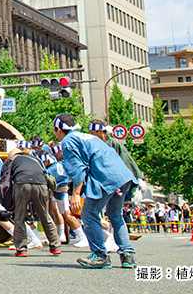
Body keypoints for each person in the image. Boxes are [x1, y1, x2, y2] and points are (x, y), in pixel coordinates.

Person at [53, 112, 138, 269]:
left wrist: (76, 194)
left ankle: (100, 255)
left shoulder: (68, 141)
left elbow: (78, 169)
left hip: (106, 177)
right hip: (122, 175)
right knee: (115, 215)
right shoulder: (86, 136)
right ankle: (128, 256)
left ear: (58, 129)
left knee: (88, 214)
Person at [3, 147, 60, 258]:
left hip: (22, 184)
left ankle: (21, 249)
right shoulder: (35, 160)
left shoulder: (12, 160)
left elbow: (6, 179)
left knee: (19, 217)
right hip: (41, 184)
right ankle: (55, 246)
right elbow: (45, 174)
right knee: (44, 215)